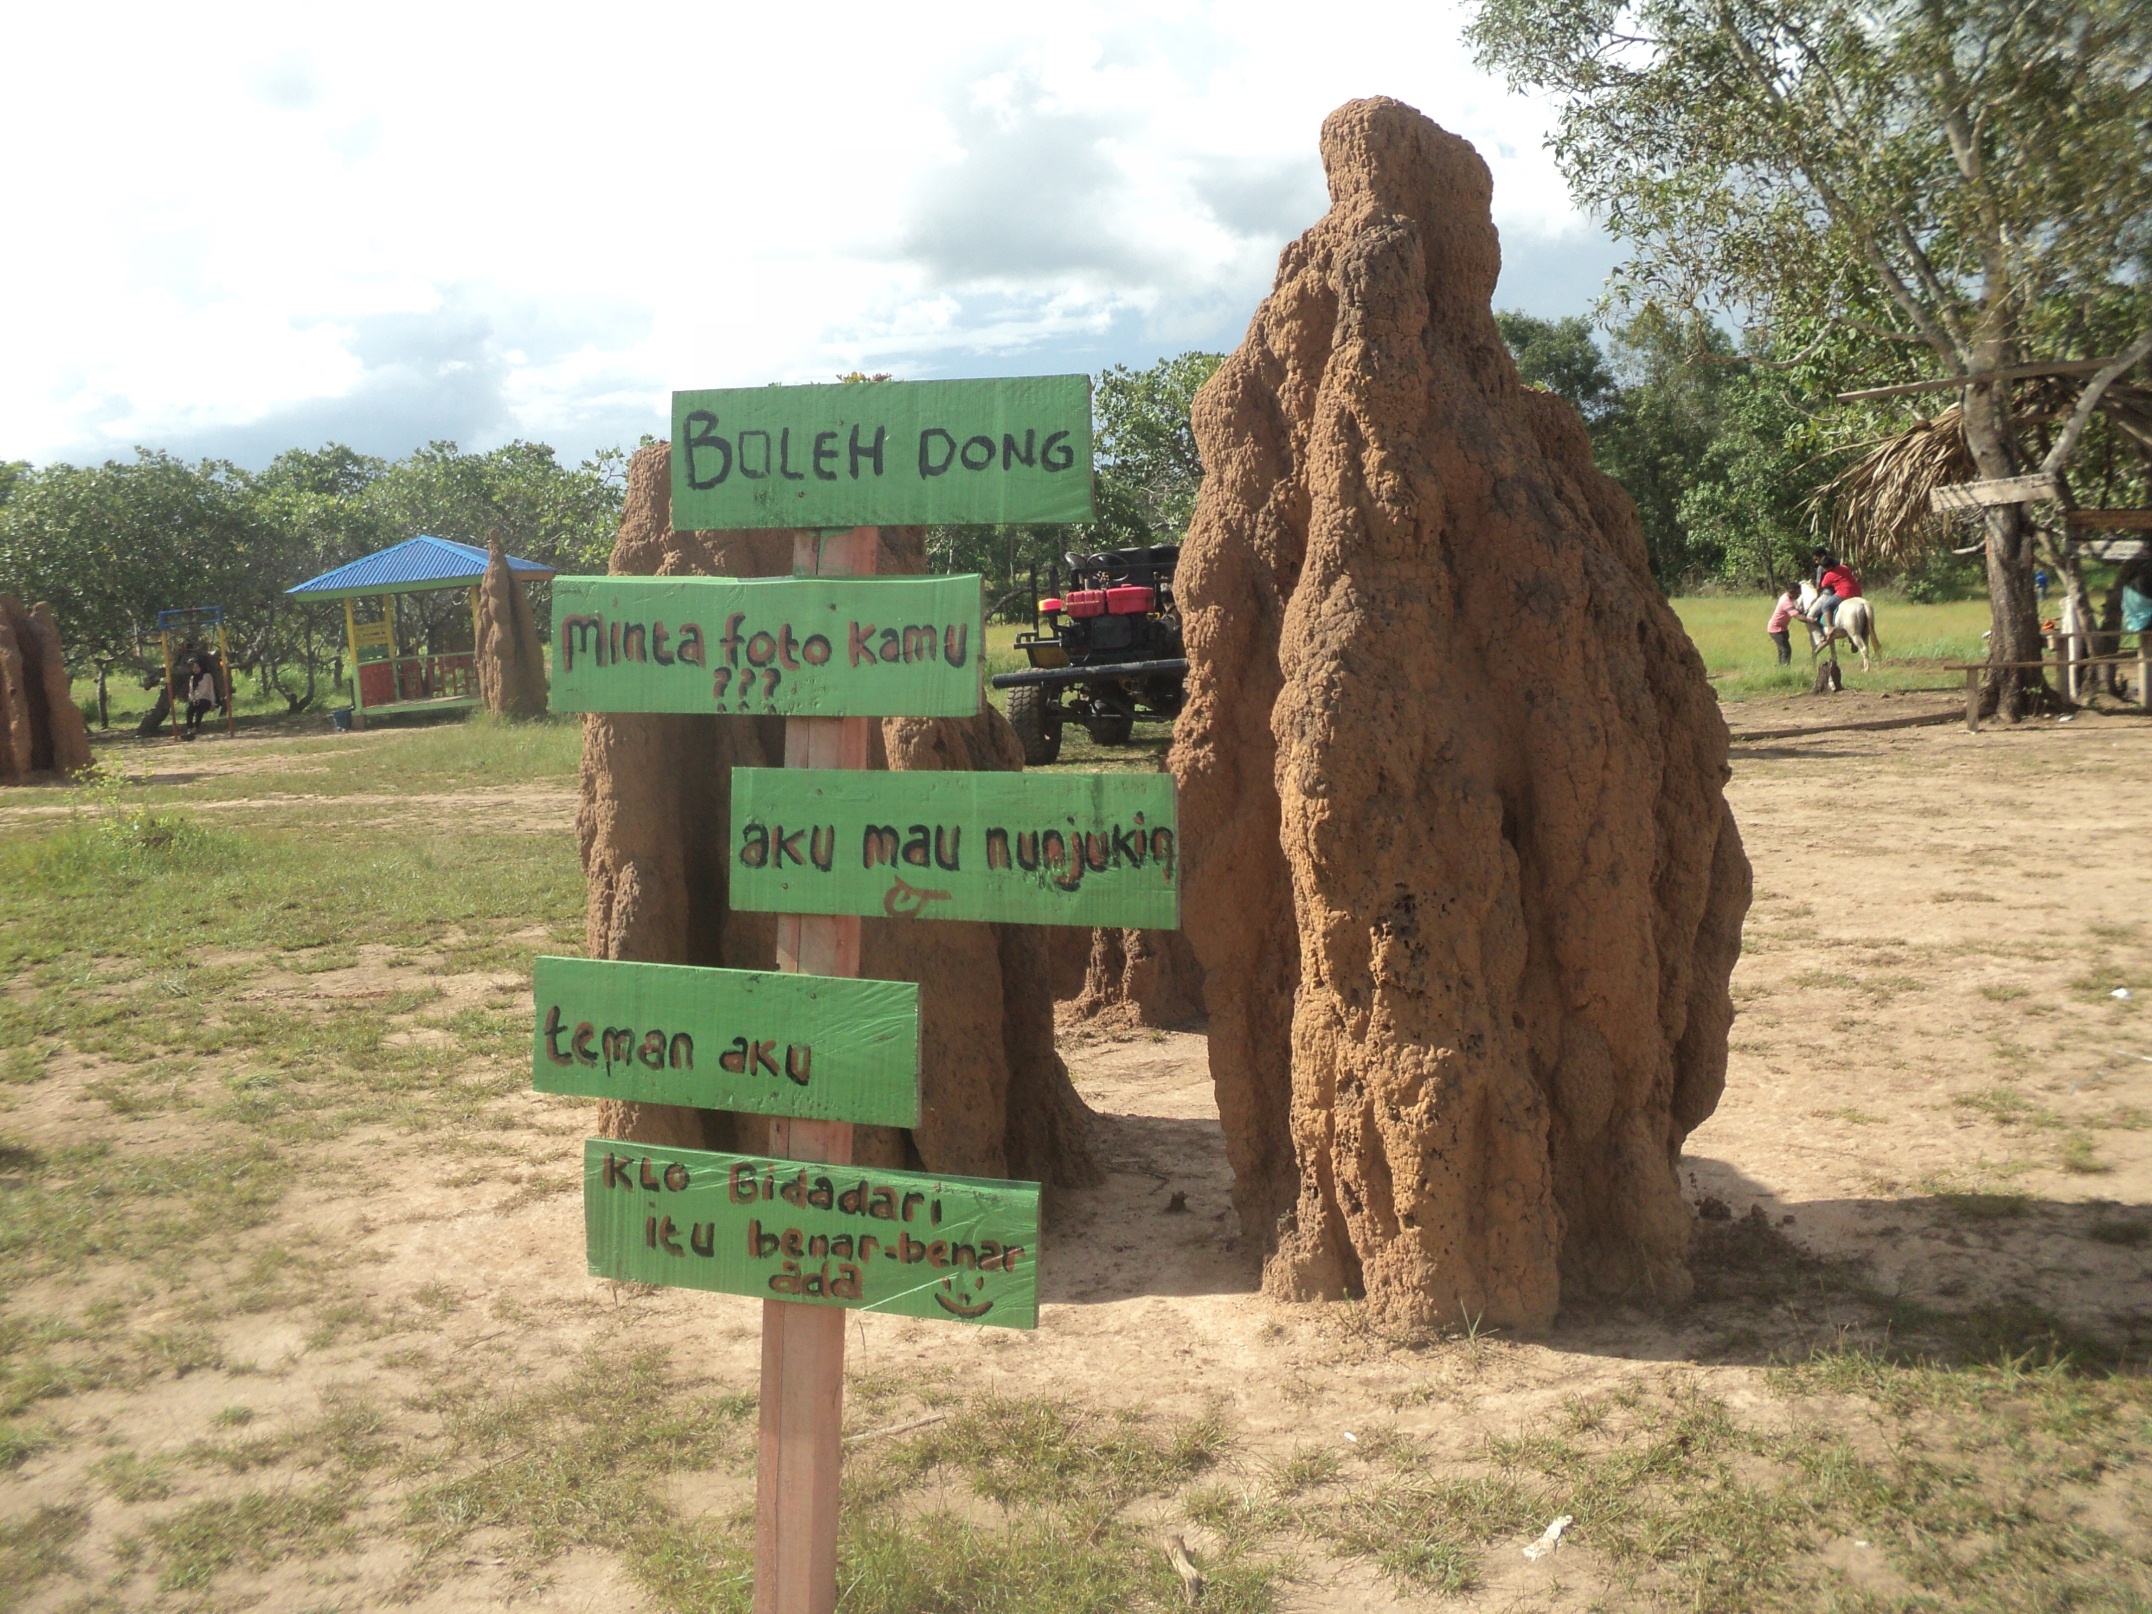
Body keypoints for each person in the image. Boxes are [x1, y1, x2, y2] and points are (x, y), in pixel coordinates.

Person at [1809, 552, 1862, 631]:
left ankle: (1830, 627)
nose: (1824, 570)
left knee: (1826, 606)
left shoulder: (1828, 575)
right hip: (1857, 592)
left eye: (1825, 568)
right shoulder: (1844, 567)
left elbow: (1823, 585)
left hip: (1844, 593)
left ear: (1829, 567)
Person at [183, 658, 218, 741]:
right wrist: (192, 699)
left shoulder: (207, 676)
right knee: (189, 711)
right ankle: (189, 730)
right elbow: (191, 691)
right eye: (193, 668)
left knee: (199, 711)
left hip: (205, 699)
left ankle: (194, 731)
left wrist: (213, 703)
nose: (195, 669)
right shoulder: (192, 678)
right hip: (195, 700)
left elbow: (211, 689)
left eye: (197, 667)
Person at [1766, 587, 1800, 664]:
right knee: (1786, 650)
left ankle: (1781, 668)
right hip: (1776, 629)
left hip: (1782, 628)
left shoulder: (1785, 596)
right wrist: (1812, 621)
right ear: (1792, 592)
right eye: (1797, 593)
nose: (1798, 595)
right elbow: (1798, 617)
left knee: (1782, 650)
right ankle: (1785, 669)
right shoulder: (1786, 602)